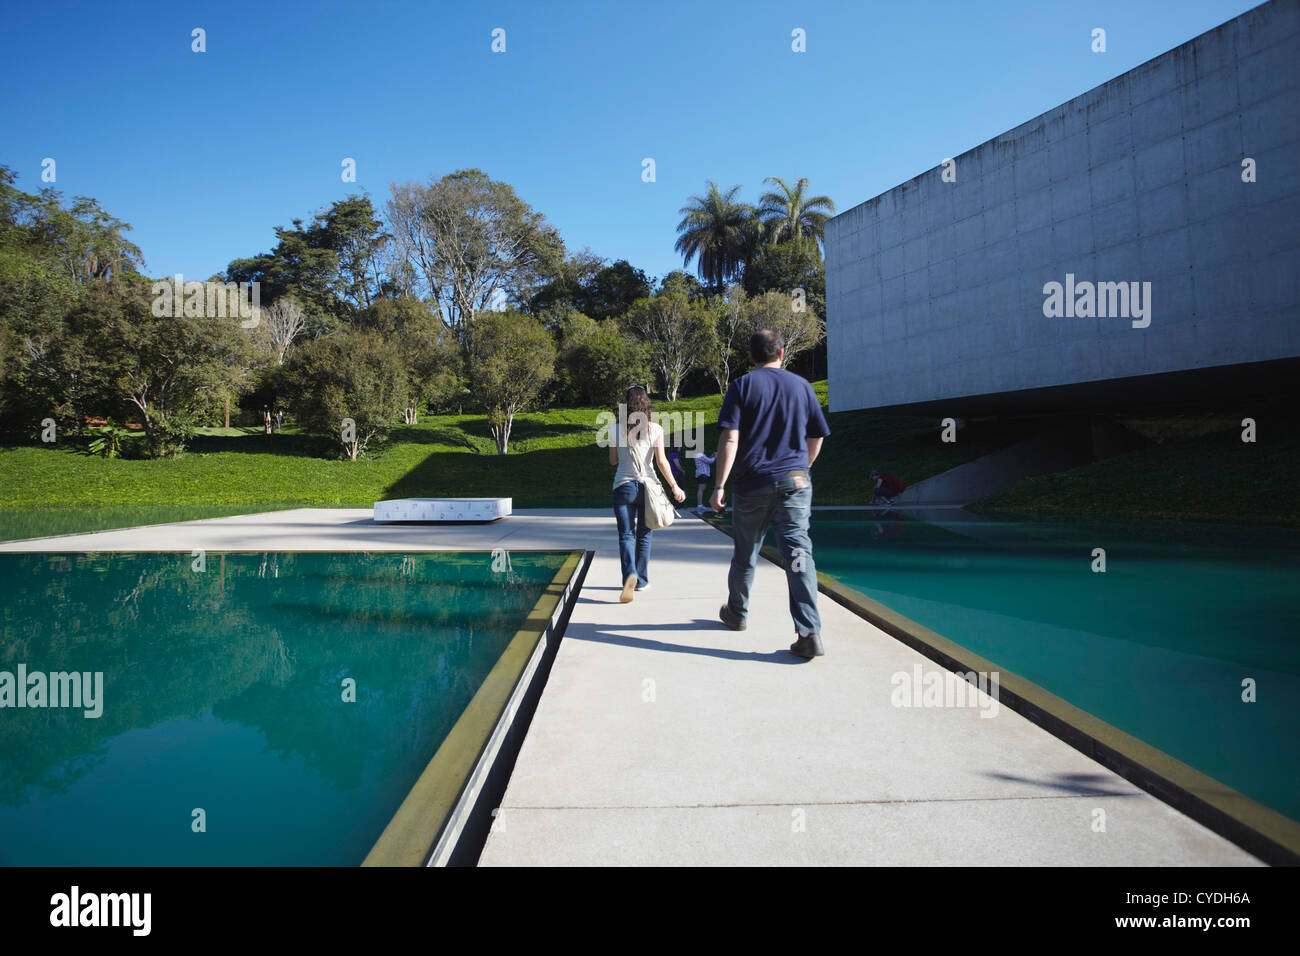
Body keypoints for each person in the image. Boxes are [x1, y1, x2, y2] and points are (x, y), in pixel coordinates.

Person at [711, 330, 830, 659]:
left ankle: (737, 613)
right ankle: (809, 631)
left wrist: (719, 485)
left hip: (753, 483)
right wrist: (800, 468)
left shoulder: (742, 387)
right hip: (795, 482)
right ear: (783, 352)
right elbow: (817, 435)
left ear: (751, 357)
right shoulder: (802, 386)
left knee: (746, 553)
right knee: (798, 554)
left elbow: (730, 438)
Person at [609, 385, 686, 603]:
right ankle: (641, 580)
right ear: (646, 404)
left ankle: (629, 577)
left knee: (626, 535)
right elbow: (661, 462)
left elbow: (612, 461)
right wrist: (674, 486)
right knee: (645, 534)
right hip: (648, 488)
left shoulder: (615, 429)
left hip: (622, 487)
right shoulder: (655, 429)